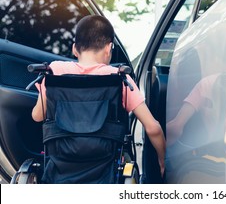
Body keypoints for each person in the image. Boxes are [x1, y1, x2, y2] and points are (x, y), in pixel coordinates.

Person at [32, 14, 166, 177]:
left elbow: (38, 116)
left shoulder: (55, 71)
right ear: (109, 48)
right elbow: (153, 128)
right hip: (105, 167)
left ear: (75, 48)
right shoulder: (119, 78)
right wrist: (163, 160)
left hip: (61, 163)